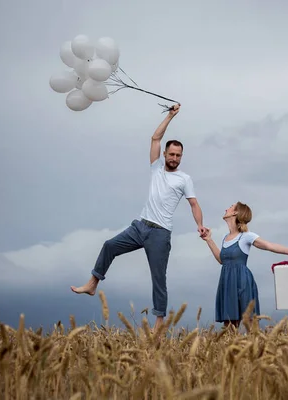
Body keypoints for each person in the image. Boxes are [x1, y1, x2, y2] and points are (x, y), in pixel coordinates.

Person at [71, 104, 208, 330]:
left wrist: (200, 225)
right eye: (171, 154)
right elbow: (155, 138)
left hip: (160, 234)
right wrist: (170, 116)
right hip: (140, 227)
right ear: (164, 154)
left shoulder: (184, 179)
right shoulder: (156, 168)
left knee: (158, 279)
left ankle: (159, 325)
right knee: (109, 245)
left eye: (178, 155)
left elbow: (194, 203)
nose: (175, 158)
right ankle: (93, 283)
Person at [201, 202, 288, 329]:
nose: (226, 208)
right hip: (226, 281)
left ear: (235, 213)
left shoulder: (246, 236)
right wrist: (209, 239)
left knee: (250, 321)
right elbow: (222, 260)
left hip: (242, 280)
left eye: (230, 206)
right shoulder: (226, 238)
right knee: (229, 325)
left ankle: (255, 346)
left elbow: (270, 246)